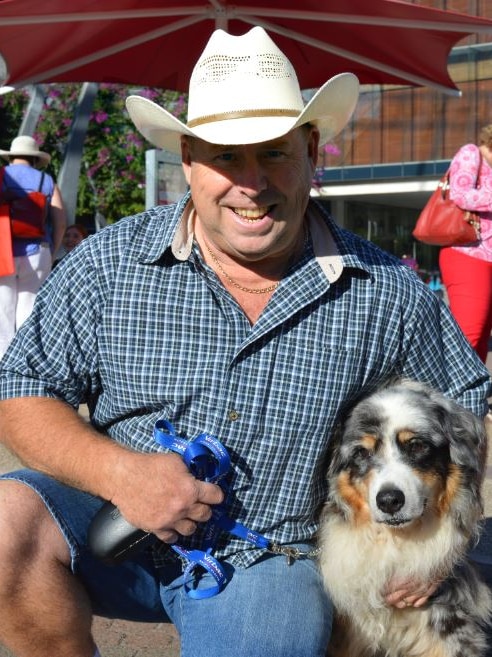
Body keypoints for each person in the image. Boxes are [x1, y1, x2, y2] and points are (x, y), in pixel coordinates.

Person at [0, 27, 489, 657]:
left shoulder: (385, 290)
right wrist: (120, 472)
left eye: (274, 153)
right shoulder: (105, 265)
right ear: (188, 160)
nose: (251, 182)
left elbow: (465, 402)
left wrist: (441, 540)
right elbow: (22, 392)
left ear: (311, 149)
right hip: (108, 528)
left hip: (267, 558)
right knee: (5, 524)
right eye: (226, 156)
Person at [0, 135, 67, 358]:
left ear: (11, 157)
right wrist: (52, 249)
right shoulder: (46, 181)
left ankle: (2, 365)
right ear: (35, 159)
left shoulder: (1, 176)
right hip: (38, 251)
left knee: (3, 310)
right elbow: (60, 222)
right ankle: (25, 363)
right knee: (29, 308)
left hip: (4, 251)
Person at [439, 124, 492, 362]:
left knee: (481, 338)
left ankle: (474, 398)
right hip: (468, 255)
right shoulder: (472, 153)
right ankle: (451, 396)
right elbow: (459, 195)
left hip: (487, 257)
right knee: (468, 336)